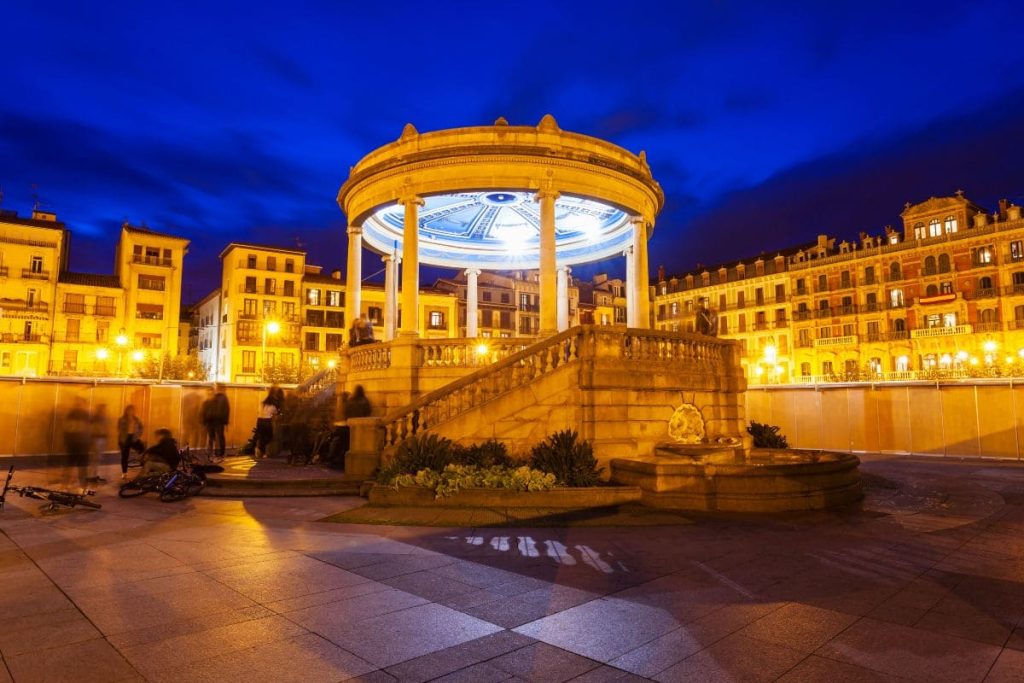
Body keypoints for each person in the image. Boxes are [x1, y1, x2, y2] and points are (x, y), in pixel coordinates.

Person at [63, 398, 91, 490]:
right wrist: (67, 441)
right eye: (78, 404)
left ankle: (82, 485)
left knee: (82, 466)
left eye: (80, 404)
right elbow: (67, 429)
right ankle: (67, 484)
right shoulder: (72, 415)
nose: (79, 405)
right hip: (74, 444)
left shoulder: (86, 415)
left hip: (83, 444)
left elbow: (89, 430)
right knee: (72, 465)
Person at [201, 384, 230, 458]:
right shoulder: (215, 398)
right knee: (214, 437)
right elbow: (205, 410)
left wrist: (225, 422)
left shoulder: (220, 398)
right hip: (213, 420)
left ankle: (218, 452)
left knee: (218, 437)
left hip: (217, 421)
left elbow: (225, 410)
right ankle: (213, 452)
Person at [117, 405, 146, 481]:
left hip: (133, 437)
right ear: (126, 411)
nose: (130, 412)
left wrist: (139, 434)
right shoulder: (122, 419)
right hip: (124, 438)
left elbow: (141, 427)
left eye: (132, 410)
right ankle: (124, 472)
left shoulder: (136, 419)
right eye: (129, 410)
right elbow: (119, 428)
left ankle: (142, 463)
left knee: (142, 448)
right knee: (125, 456)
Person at [86, 403, 109, 484]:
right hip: (97, 438)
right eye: (103, 408)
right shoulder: (96, 417)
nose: (104, 410)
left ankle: (94, 475)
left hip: (100, 438)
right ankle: (91, 476)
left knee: (97, 458)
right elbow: (94, 429)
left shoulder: (102, 417)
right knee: (95, 458)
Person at [254, 389, 279, 459]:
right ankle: (261, 449)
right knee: (269, 436)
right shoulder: (272, 406)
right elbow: (276, 413)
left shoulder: (262, 404)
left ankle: (262, 452)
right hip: (267, 421)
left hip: (259, 421)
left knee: (262, 436)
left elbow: (258, 411)